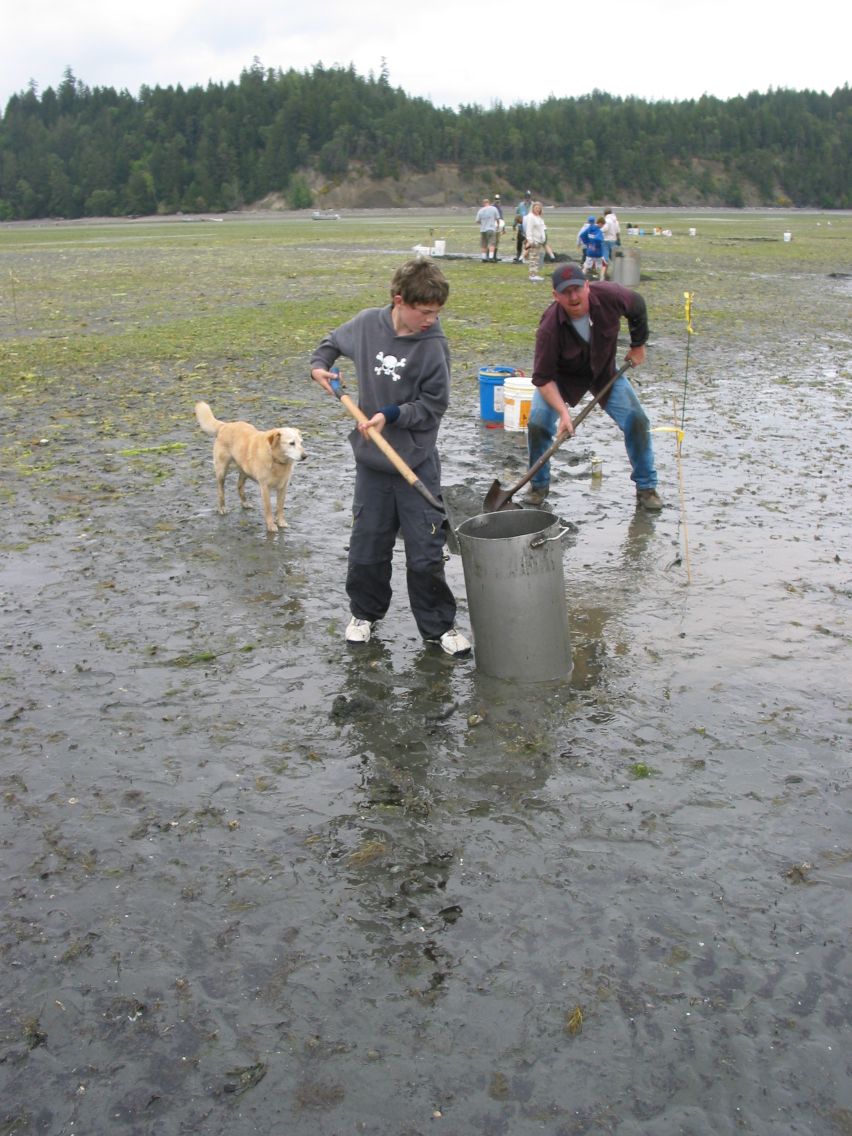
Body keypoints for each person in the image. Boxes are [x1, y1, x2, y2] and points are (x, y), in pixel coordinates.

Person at [309, 259, 472, 655]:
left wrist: (393, 414)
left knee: (425, 552)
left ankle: (439, 628)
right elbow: (329, 345)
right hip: (373, 465)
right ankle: (364, 614)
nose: (432, 319)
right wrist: (320, 368)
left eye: (437, 312)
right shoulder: (367, 324)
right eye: (425, 311)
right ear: (400, 300)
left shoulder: (434, 347)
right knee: (368, 546)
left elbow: (434, 407)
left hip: (416, 463)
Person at [524, 263, 663, 511]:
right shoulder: (549, 328)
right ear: (555, 295)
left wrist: (638, 344)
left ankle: (647, 488)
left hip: (603, 372)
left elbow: (638, 305)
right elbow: (543, 379)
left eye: (578, 289)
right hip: (561, 380)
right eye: (566, 292)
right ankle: (538, 486)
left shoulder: (610, 296)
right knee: (538, 423)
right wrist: (564, 414)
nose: (574, 297)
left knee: (637, 420)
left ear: (587, 286)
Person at [523, 201, 547, 282]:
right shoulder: (531, 217)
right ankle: (532, 275)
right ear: (533, 208)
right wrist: (530, 240)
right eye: (536, 208)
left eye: (539, 208)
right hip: (533, 241)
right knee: (533, 258)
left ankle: (535, 274)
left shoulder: (539, 218)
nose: (537, 210)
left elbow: (542, 229)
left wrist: (543, 239)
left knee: (536, 258)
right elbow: (528, 229)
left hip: (539, 241)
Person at [475, 197, 500, 262]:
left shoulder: (480, 210)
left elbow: (477, 221)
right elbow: (497, 218)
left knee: (484, 244)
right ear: (489, 202)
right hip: (491, 228)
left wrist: (482, 223)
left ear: (483, 203)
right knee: (492, 243)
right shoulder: (494, 209)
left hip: (483, 229)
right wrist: (497, 226)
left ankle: (484, 258)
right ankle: (491, 257)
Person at [513, 190, 533, 263]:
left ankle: (525, 256)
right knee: (519, 242)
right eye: (526, 197)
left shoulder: (533, 205)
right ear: (524, 197)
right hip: (521, 227)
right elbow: (517, 215)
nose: (527, 198)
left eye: (529, 197)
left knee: (527, 243)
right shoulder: (520, 205)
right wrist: (514, 224)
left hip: (530, 228)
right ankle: (518, 255)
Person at [601, 208, 621, 277]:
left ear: (605, 214)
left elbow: (604, 229)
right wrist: (618, 240)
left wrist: (599, 229)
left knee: (605, 258)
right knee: (614, 258)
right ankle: (617, 274)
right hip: (614, 240)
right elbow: (618, 231)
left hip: (606, 241)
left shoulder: (607, 220)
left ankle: (603, 274)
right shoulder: (615, 220)